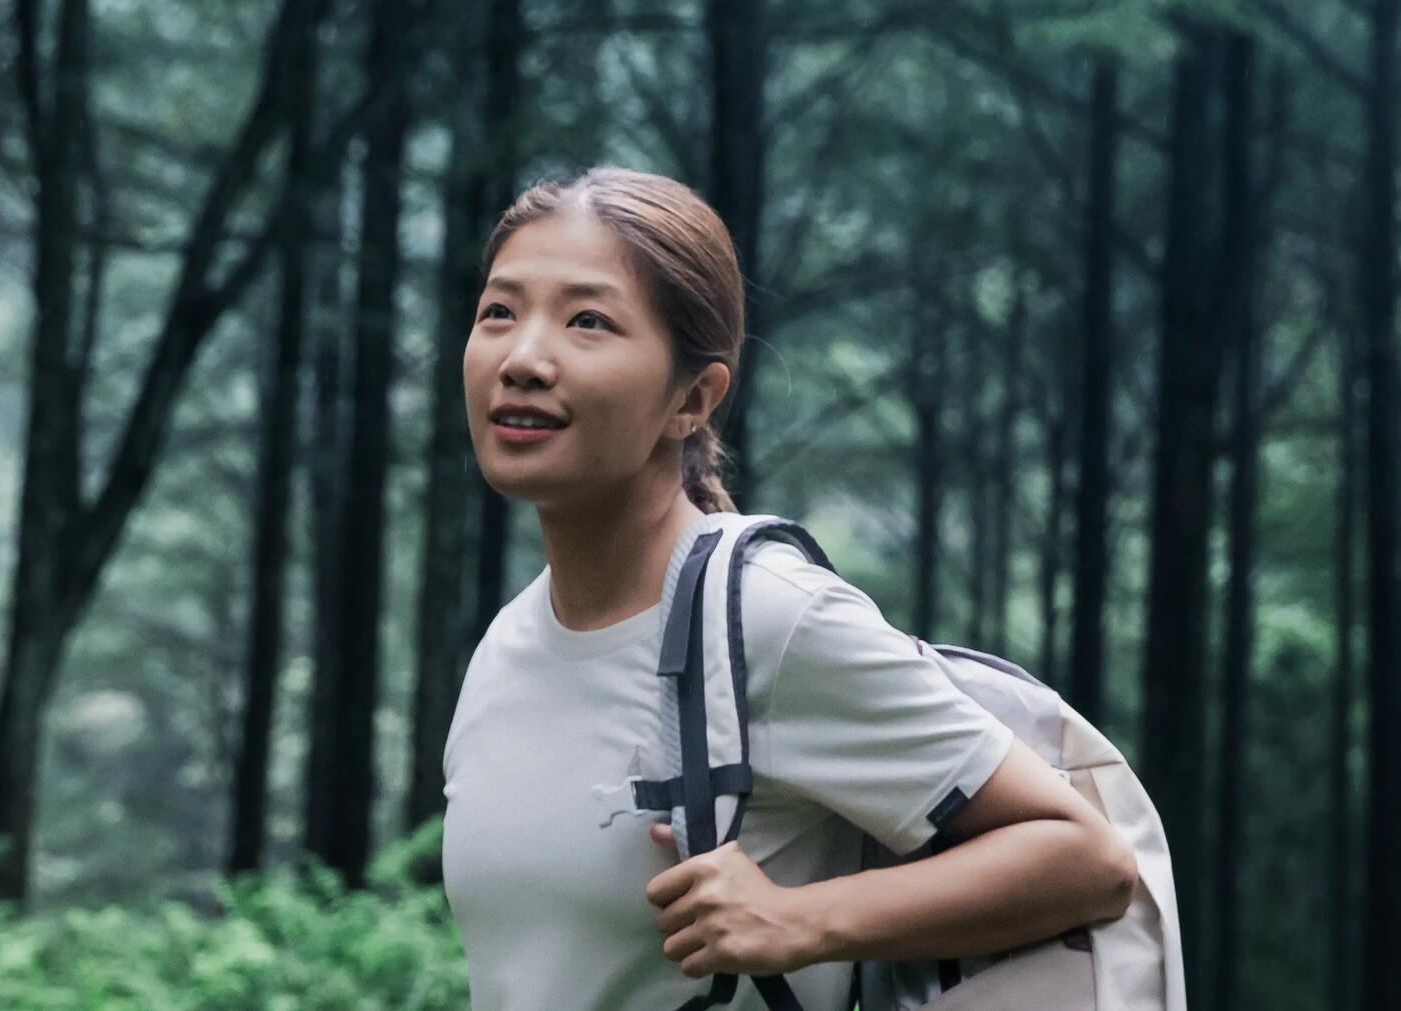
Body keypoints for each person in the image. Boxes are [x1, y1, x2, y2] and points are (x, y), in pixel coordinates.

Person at [441, 166, 1137, 1011]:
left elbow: (1086, 857)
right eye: (499, 313)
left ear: (692, 398)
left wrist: (804, 919)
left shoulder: (768, 616)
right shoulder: (506, 649)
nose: (523, 358)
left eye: (588, 320)